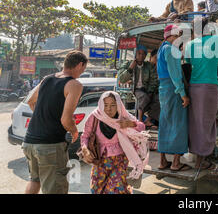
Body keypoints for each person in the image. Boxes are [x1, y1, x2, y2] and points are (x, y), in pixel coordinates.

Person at [22, 51, 88, 194]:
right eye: (83, 69)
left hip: (29, 142)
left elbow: (31, 101)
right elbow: (66, 119)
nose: (82, 72)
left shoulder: (47, 79)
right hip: (50, 145)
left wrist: (44, 118)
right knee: (55, 188)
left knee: (35, 180)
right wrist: (74, 131)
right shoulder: (74, 85)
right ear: (80, 65)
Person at [184, 19, 218, 170]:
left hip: (194, 87)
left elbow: (189, 62)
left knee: (196, 121)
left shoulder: (190, 44)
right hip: (209, 86)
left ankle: (196, 155)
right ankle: (200, 160)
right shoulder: (215, 40)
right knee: (207, 122)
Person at [80, 91, 148, 194]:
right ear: (101, 104)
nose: (108, 109)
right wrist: (85, 149)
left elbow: (141, 126)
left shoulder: (123, 117)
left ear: (118, 105)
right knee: (97, 189)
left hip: (120, 160)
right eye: (106, 105)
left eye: (113, 105)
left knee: (115, 189)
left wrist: (130, 124)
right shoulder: (94, 117)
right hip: (100, 160)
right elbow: (85, 136)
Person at [157, 25, 191, 171]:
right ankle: (176, 163)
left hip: (164, 89)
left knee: (165, 123)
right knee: (178, 124)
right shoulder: (171, 49)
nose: (179, 39)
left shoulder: (162, 49)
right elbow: (175, 75)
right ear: (171, 36)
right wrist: (183, 94)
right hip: (172, 89)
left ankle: (163, 161)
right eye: (177, 36)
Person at [118, 44, 159, 124]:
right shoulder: (127, 64)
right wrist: (130, 68)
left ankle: (148, 119)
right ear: (135, 54)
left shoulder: (148, 66)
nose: (141, 56)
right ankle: (139, 120)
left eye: (143, 54)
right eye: (139, 53)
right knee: (143, 96)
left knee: (158, 99)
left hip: (146, 89)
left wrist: (150, 91)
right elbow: (122, 79)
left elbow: (153, 80)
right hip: (135, 89)